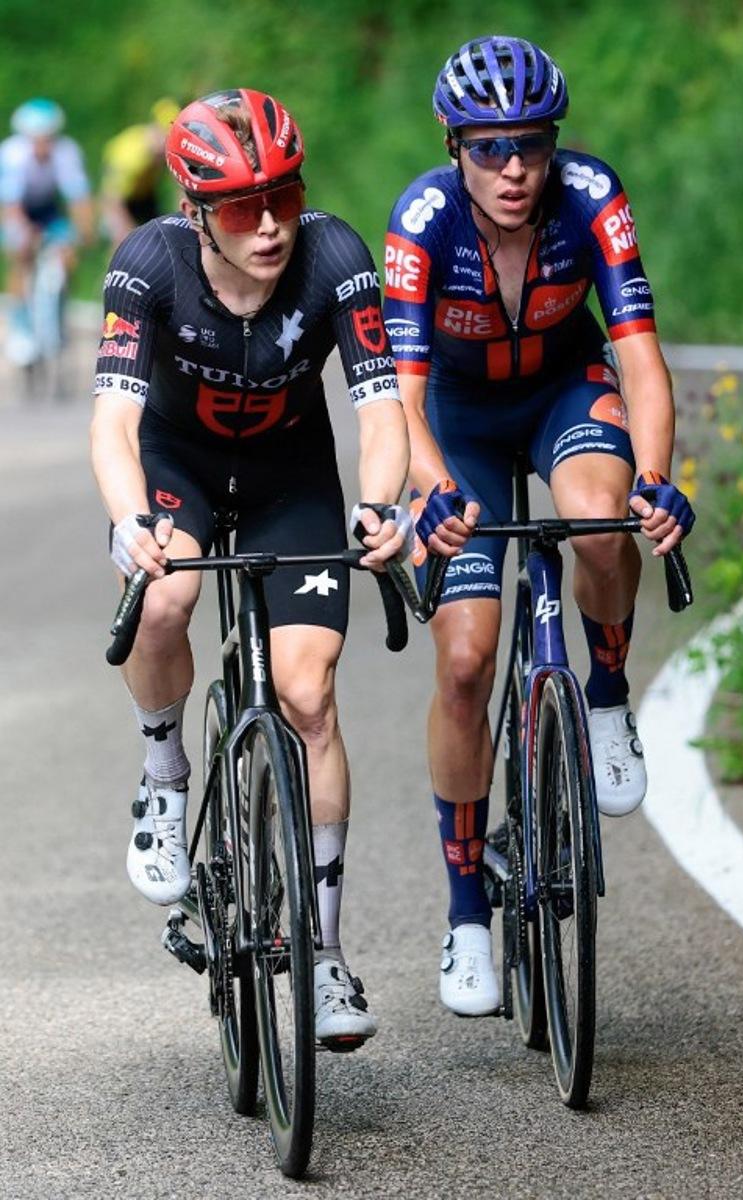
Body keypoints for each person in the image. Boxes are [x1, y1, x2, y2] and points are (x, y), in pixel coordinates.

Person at [90, 88, 412, 1049]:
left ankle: (322, 955)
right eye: (239, 206)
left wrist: (382, 501)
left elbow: (381, 406)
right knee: (164, 599)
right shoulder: (147, 266)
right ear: (195, 211)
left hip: (290, 478)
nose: (269, 224)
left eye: (283, 195)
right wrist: (128, 520)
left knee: (309, 697)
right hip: (178, 468)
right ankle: (162, 766)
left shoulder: (336, 256)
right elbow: (113, 422)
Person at [384, 36, 695, 1016]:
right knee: (467, 664)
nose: (512, 169)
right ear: (453, 146)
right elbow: (401, 393)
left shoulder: (590, 195)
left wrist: (654, 477)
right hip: (460, 426)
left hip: (565, 390)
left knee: (599, 523)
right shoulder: (423, 222)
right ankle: (467, 912)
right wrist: (430, 489)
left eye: (529, 145)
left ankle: (604, 699)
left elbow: (639, 359)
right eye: (487, 149)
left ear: (552, 142)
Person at [0, 98, 93, 364]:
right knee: (20, 256)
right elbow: (11, 205)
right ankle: (21, 327)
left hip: (50, 211)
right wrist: (22, 233)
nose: (44, 144)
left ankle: (60, 306)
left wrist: (84, 233)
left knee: (66, 255)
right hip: (20, 210)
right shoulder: (12, 153)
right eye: (37, 138)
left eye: (48, 137)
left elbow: (79, 198)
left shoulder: (66, 151)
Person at [100, 97, 181, 248]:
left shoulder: (162, 150)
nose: (168, 140)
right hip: (121, 199)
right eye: (165, 134)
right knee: (124, 245)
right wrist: (126, 234)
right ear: (154, 128)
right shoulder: (132, 157)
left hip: (144, 194)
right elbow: (112, 200)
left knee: (164, 238)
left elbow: (180, 184)